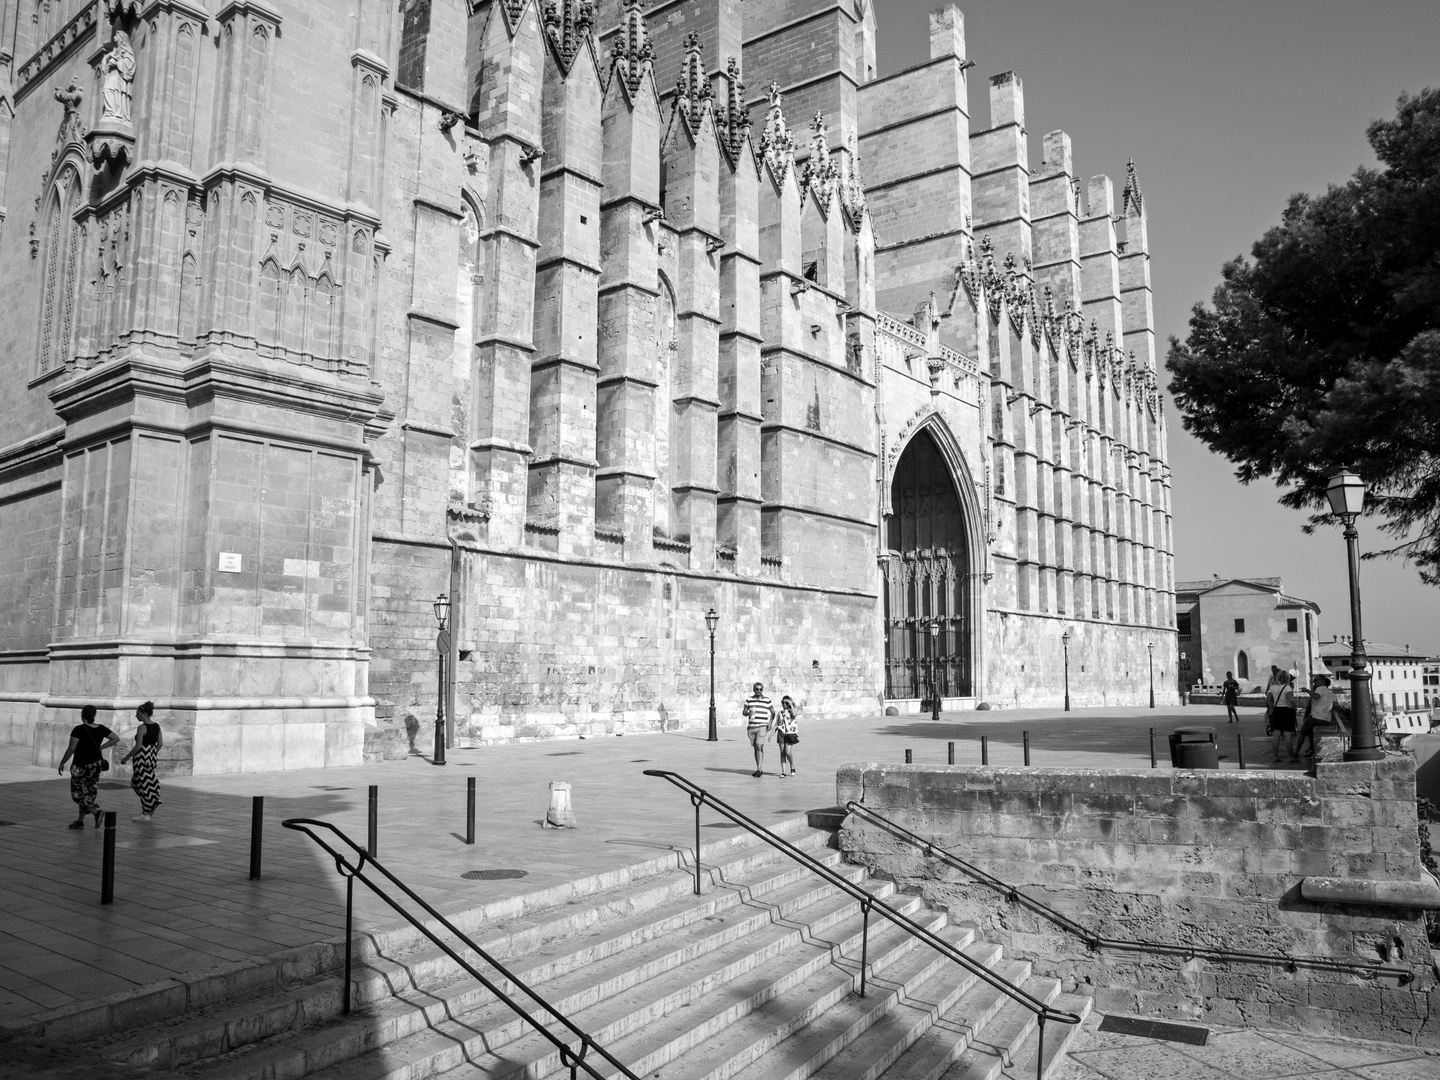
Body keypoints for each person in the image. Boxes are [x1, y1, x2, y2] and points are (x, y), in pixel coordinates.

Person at [57, 705, 118, 828]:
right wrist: (101, 747)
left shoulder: (78, 730)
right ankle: (80, 821)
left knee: (77, 794)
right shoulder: (100, 728)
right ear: (94, 716)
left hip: (80, 766)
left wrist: (62, 762)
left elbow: (71, 749)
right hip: (95, 766)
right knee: (88, 793)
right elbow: (115, 738)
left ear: (82, 715)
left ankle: (96, 812)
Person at [119, 701, 163, 821]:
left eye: (138, 713)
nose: (136, 716)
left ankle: (146, 811)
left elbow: (138, 746)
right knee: (142, 783)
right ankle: (150, 807)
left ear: (144, 713)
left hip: (141, 759)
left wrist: (126, 758)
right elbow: (160, 744)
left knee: (141, 785)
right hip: (151, 758)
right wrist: (151, 753)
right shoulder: (157, 726)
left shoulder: (142, 727)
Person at [1296, 675, 1335, 760]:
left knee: (1302, 733)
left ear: (1321, 681)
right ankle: (1311, 749)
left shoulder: (1320, 688)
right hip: (1326, 719)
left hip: (1317, 717)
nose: (1314, 683)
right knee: (1310, 731)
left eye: (1315, 681)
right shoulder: (1330, 692)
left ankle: (1295, 753)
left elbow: (1316, 696)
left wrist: (1307, 690)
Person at [743, 682, 775, 777]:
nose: (759, 691)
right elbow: (744, 712)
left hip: (762, 726)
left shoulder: (767, 700)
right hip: (752, 727)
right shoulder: (749, 700)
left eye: (760, 689)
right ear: (754, 690)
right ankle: (758, 767)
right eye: (757, 689)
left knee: (759, 746)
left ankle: (759, 769)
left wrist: (770, 722)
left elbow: (772, 712)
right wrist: (748, 712)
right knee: (756, 747)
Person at [1270, 672, 1299, 764]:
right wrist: (1295, 707)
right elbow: (1291, 699)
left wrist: (1273, 707)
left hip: (1277, 711)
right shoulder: (1287, 687)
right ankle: (1291, 756)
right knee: (1287, 735)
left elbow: (1267, 699)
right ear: (1287, 678)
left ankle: (1275, 756)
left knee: (1276, 734)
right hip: (1287, 711)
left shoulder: (1272, 687)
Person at [776, 696, 799, 777]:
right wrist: (771, 735)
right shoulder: (780, 713)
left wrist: (791, 704)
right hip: (781, 734)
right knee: (782, 753)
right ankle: (783, 772)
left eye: (786, 703)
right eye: (783, 703)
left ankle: (792, 765)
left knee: (788, 752)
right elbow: (777, 724)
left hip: (790, 733)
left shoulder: (792, 710)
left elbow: (794, 715)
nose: (784, 704)